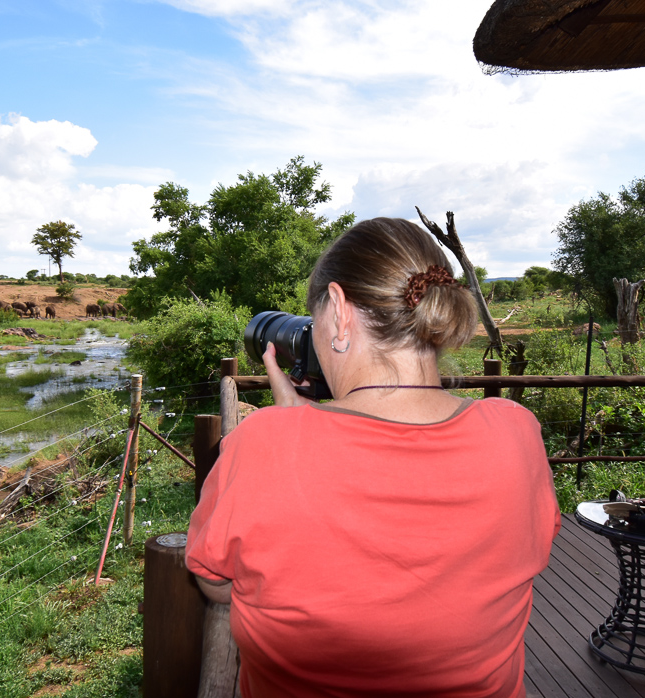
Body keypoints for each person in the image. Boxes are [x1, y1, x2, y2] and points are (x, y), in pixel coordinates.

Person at [186, 217, 560, 697]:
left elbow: (216, 583)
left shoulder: (263, 443)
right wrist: (299, 425)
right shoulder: (516, 431)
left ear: (339, 312)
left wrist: (288, 433)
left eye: (315, 319)